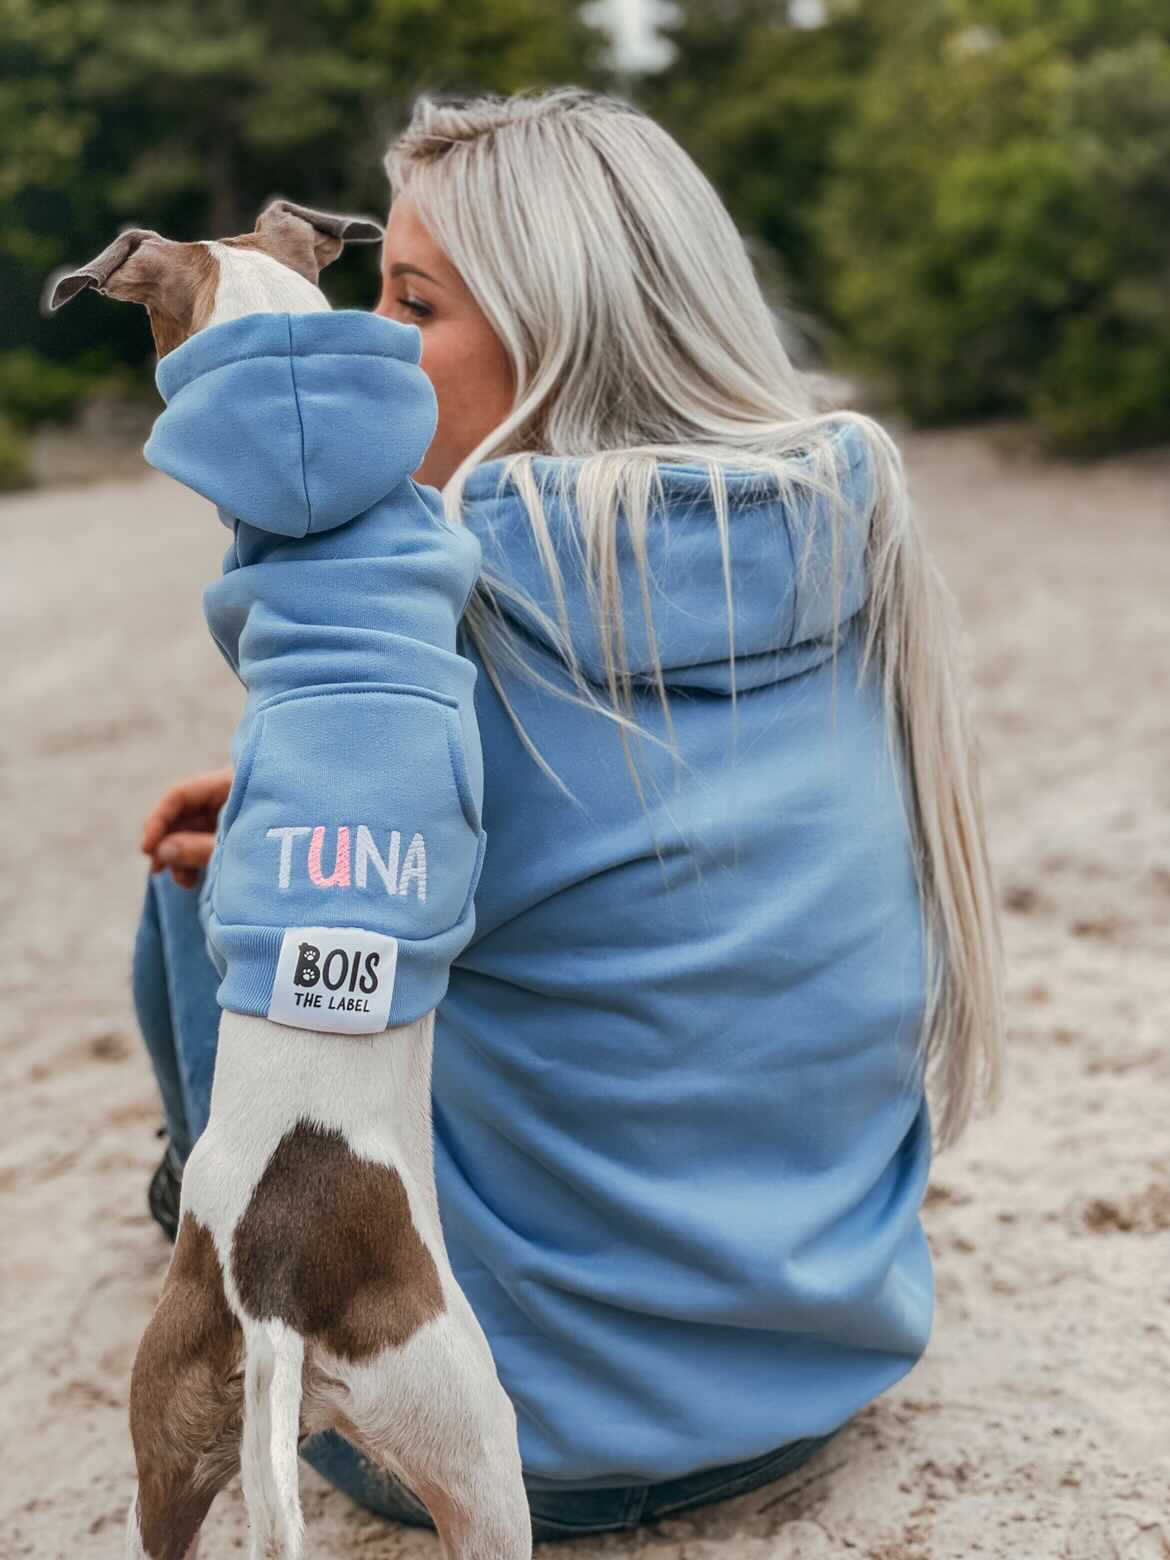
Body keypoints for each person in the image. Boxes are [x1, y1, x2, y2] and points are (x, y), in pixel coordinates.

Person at [133, 86, 1004, 1540]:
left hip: (509, 1431)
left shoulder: (459, 621)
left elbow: (337, 937)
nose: (369, 344)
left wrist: (292, 816)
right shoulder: (851, 556)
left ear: (568, 331)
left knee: (191, 900)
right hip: (815, 1373)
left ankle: (194, 1217)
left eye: (410, 303)